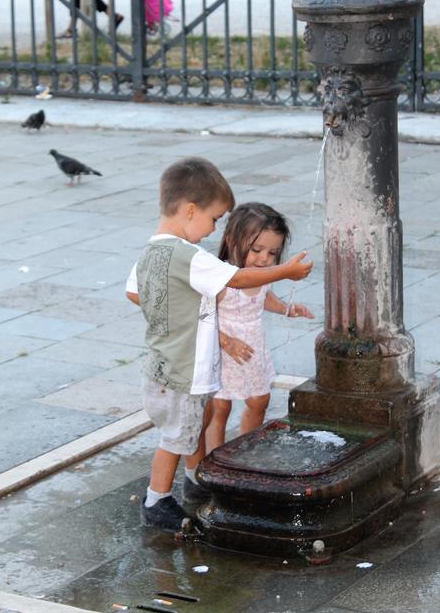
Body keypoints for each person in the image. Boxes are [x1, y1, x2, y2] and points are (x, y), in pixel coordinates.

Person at [125, 158, 313, 532]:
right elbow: (242, 279)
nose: (214, 228)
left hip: (164, 366)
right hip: (183, 371)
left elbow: (134, 292)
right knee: (181, 435)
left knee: (194, 424)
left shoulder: (153, 252)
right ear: (190, 210)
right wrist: (287, 271)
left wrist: (174, 313)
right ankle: (161, 498)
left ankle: (194, 480)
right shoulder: (189, 256)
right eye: (213, 219)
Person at [206, 203, 314, 452]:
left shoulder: (263, 276)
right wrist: (226, 342)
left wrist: (286, 308)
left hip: (253, 349)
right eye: (256, 250)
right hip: (222, 350)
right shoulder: (222, 277)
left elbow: (263, 297)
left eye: (273, 253)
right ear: (232, 240)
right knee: (219, 407)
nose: (264, 259)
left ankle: (247, 449)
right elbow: (201, 320)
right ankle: (213, 459)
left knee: (259, 400)